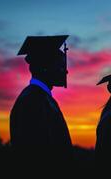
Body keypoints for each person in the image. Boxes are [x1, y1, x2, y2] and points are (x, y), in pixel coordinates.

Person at [10, 35, 73, 166]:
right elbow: (37, 154)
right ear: (46, 67)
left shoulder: (42, 97)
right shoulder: (32, 101)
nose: (65, 71)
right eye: (60, 65)